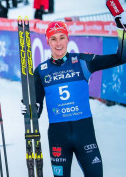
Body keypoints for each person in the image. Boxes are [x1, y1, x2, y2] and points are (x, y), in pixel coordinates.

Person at [26, 15, 126, 177]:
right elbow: (36, 109)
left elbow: (122, 56)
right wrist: (30, 107)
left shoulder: (82, 61)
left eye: (62, 38)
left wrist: (121, 25)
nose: (58, 43)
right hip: (58, 138)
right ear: (47, 42)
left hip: (85, 135)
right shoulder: (41, 70)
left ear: (67, 39)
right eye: (53, 39)